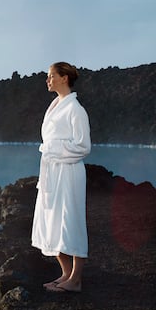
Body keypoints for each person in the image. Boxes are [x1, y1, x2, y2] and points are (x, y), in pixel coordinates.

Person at [31, 62, 91, 293]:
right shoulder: (56, 105)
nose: (48, 80)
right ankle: (65, 274)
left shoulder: (75, 109)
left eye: (51, 76)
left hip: (69, 172)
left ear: (64, 78)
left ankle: (76, 280)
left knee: (70, 221)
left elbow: (83, 146)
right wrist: (50, 151)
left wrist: (53, 149)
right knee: (52, 220)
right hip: (52, 172)